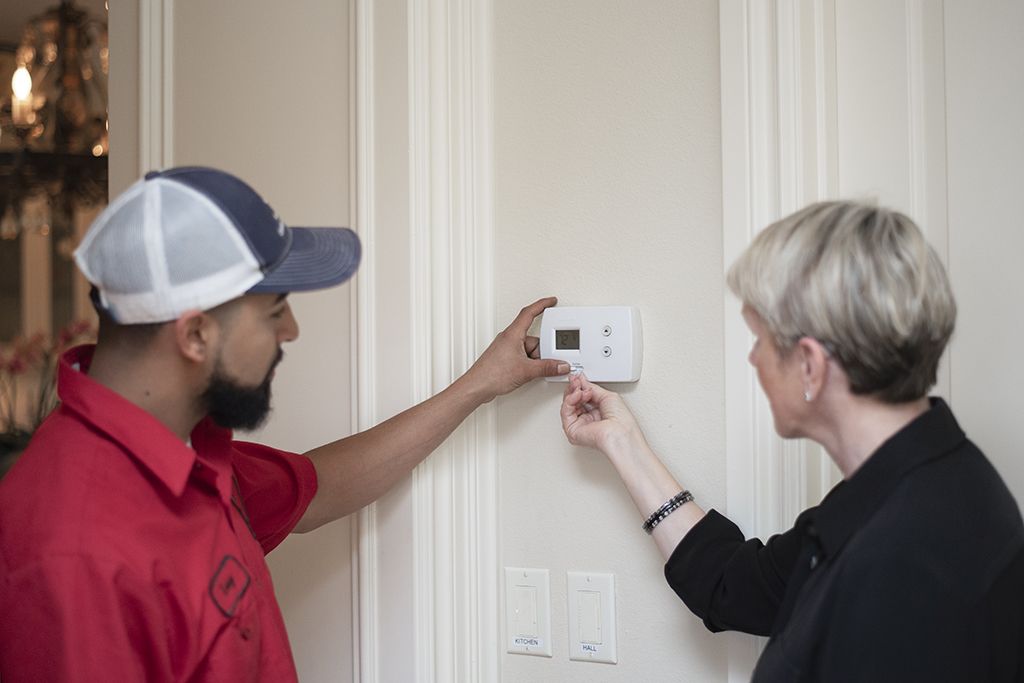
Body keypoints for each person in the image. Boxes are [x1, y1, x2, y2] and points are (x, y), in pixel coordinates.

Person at [0, 166, 569, 682]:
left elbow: (319, 486)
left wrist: (477, 386)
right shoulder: (73, 554)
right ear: (195, 335)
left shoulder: (183, 449)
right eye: (275, 311)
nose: (291, 330)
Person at [560, 200, 1024, 681]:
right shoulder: (915, 486)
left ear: (810, 365)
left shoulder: (905, 557)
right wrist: (622, 441)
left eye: (758, 338)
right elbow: (736, 585)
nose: (753, 359)